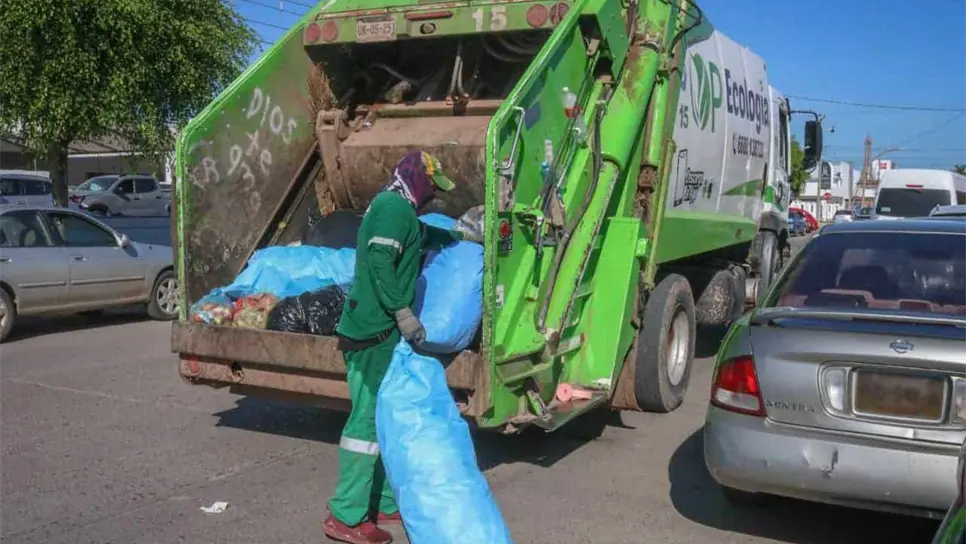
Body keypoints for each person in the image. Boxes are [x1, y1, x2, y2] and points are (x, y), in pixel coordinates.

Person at [323, 150, 481, 544]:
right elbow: (379, 261)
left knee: (384, 418)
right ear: (418, 180)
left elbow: (424, 236)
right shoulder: (393, 209)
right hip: (371, 332)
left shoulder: (403, 211)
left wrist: (459, 235)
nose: (433, 196)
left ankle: (384, 501)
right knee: (365, 425)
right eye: (432, 187)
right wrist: (403, 314)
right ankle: (346, 515)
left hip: (381, 332)